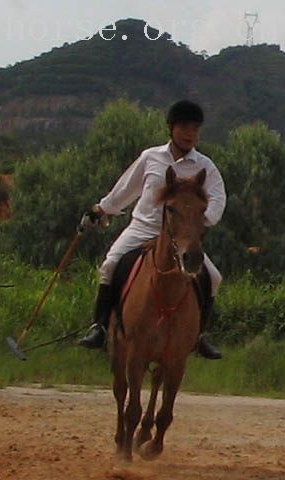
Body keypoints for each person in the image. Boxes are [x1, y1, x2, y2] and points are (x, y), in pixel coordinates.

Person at [77, 100, 225, 359]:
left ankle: (199, 335)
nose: (190, 134)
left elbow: (217, 198)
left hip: (181, 236)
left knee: (213, 277)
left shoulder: (206, 167)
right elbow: (127, 188)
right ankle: (99, 328)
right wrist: (102, 208)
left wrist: (201, 221)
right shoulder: (151, 157)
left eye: (195, 128)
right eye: (184, 127)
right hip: (143, 229)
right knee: (110, 265)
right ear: (171, 128)